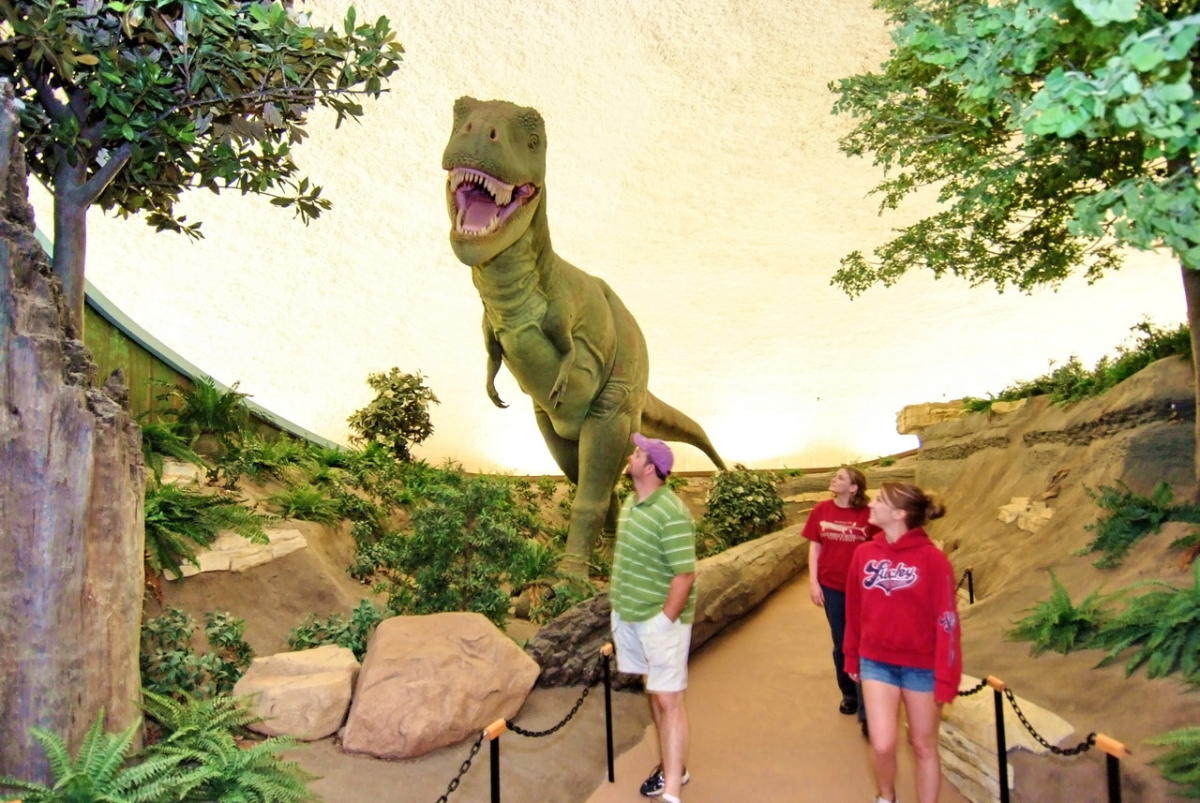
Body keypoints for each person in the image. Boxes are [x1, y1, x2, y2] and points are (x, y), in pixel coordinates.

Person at [843, 482, 961, 803]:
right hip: (876, 661)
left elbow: (948, 621)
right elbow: (854, 610)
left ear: (899, 513)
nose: (871, 503)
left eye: (879, 500)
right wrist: (851, 656)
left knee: (923, 745)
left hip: (921, 667)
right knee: (881, 743)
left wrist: (947, 675)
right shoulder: (863, 553)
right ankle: (886, 795)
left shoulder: (933, 560)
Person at [610, 433, 697, 802]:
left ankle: (673, 789)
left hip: (659, 621)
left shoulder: (671, 511)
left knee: (668, 699)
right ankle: (672, 765)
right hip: (631, 615)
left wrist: (665, 620)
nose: (631, 455)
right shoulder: (631, 502)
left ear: (650, 467)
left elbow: (685, 574)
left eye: (637, 453)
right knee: (655, 693)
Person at [802, 466, 879, 718]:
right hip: (832, 586)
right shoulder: (821, 510)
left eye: (840, 477)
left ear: (854, 487)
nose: (834, 479)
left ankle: (869, 692)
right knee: (841, 641)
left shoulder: (869, 514)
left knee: (865, 639)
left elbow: (881, 549)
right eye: (834, 476)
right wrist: (813, 582)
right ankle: (848, 693)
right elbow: (815, 548)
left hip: (864, 590)